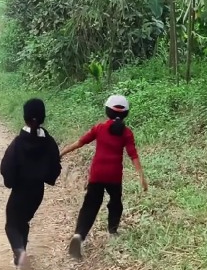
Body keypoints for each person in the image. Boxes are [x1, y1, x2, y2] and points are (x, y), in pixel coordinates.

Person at [60, 94, 148, 261]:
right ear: (126, 114)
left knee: (90, 206)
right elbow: (133, 155)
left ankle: (79, 235)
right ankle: (113, 231)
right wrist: (141, 176)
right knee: (115, 203)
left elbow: (79, 142)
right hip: (114, 176)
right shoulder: (127, 133)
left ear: (107, 111)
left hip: (97, 174)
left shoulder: (99, 128)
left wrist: (62, 153)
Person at [0, 98, 62, 270]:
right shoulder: (49, 142)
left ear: (25, 117)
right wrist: (47, 177)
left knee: (11, 224)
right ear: (43, 117)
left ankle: (20, 253)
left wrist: (10, 182)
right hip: (37, 192)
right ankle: (22, 256)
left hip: (20, 190)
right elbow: (55, 167)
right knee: (23, 222)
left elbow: (6, 167)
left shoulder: (18, 143)